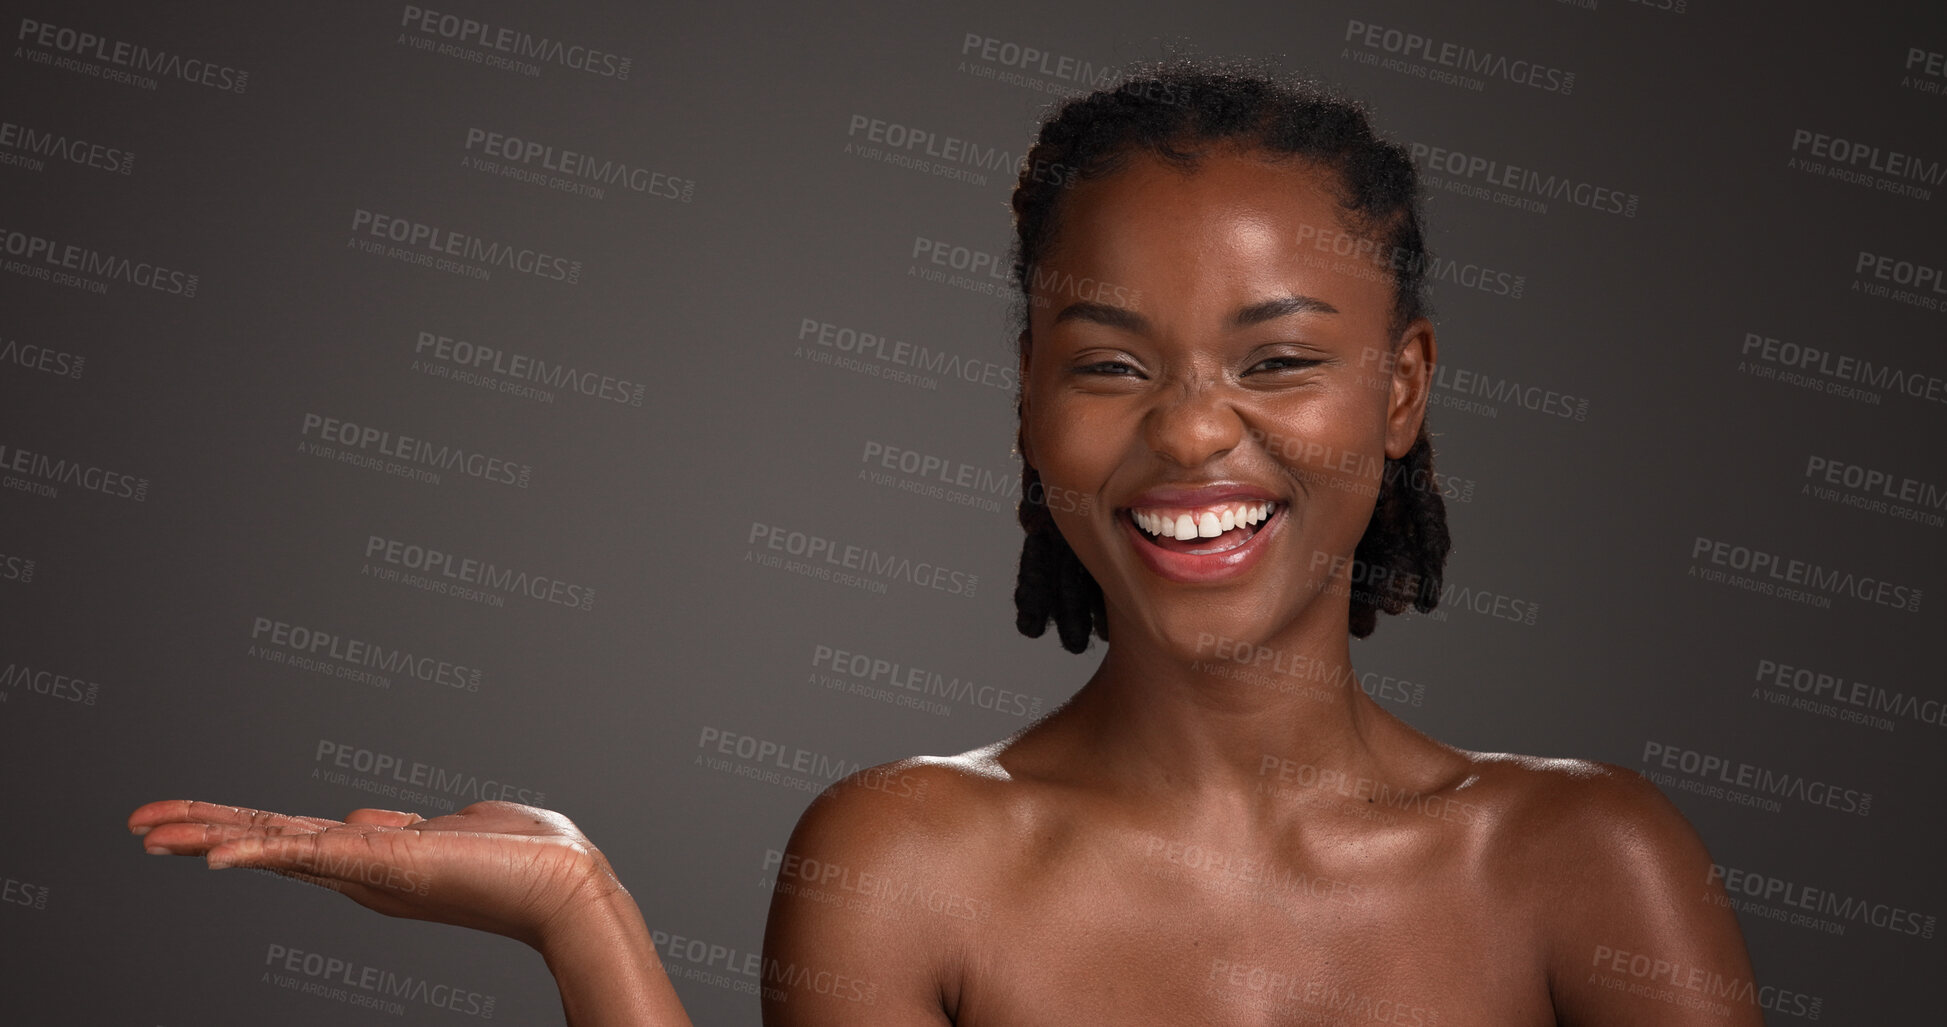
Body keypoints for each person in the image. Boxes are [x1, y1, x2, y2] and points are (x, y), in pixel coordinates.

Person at [129, 64, 1761, 1025]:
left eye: (1277, 360)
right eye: (1111, 363)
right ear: (1027, 404)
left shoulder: (1587, 861)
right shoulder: (906, 863)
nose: (1193, 434)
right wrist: (583, 915)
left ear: (1401, 389)